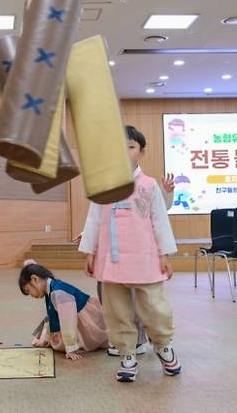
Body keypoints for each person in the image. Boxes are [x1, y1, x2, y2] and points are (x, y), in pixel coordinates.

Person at [79, 125, 181, 382]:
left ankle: (163, 345)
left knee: (154, 306)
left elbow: (159, 220)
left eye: (130, 147)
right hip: (112, 260)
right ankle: (127, 354)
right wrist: (89, 250)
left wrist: (165, 253)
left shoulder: (149, 185)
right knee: (116, 310)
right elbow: (93, 219)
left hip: (145, 258)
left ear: (142, 152)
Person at [19, 260, 108, 360]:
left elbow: (68, 321)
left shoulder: (58, 293)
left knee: (62, 341)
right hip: (83, 319)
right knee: (56, 342)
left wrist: (71, 348)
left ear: (35, 279)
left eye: (28, 290)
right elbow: (52, 315)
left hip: (90, 323)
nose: (30, 295)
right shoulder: (52, 288)